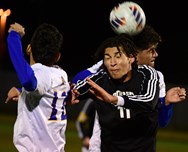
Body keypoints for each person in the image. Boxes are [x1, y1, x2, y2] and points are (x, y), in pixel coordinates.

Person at [72, 25, 186, 152]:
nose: (156, 54)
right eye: (151, 50)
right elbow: (76, 85)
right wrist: (102, 65)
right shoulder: (105, 73)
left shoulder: (155, 77)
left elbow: (161, 121)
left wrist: (166, 103)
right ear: (135, 54)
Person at [6, 22, 70, 152]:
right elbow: (45, 93)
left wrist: (14, 36)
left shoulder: (41, 72)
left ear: (29, 48)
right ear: (57, 56)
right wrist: (21, 92)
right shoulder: (61, 74)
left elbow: (28, 81)